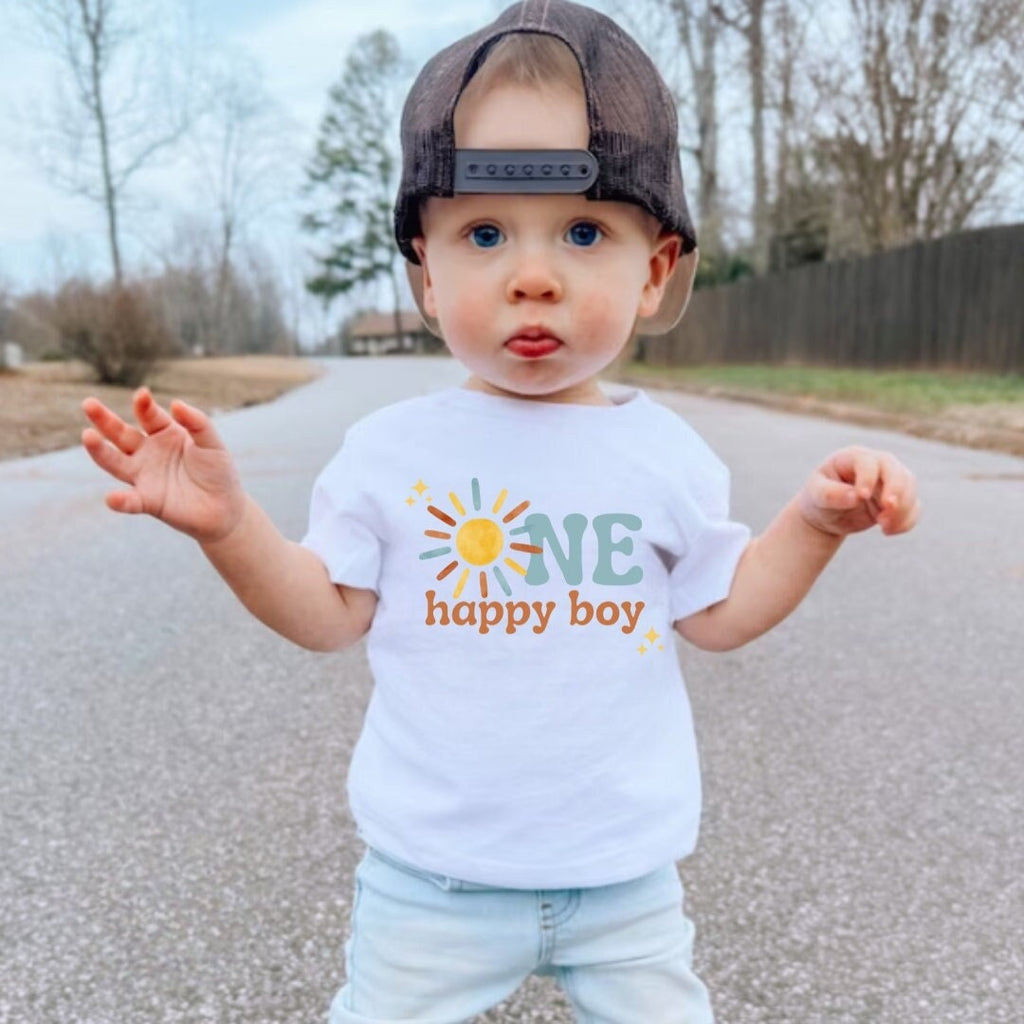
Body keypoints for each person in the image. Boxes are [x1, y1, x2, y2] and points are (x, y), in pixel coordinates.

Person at [81, 1, 921, 1020]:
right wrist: (229, 527)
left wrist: (815, 524)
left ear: (654, 271)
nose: (532, 277)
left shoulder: (662, 453)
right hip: (432, 883)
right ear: (426, 274)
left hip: (624, 880)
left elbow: (720, 611)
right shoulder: (390, 453)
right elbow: (327, 614)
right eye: (483, 233)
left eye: (583, 231)